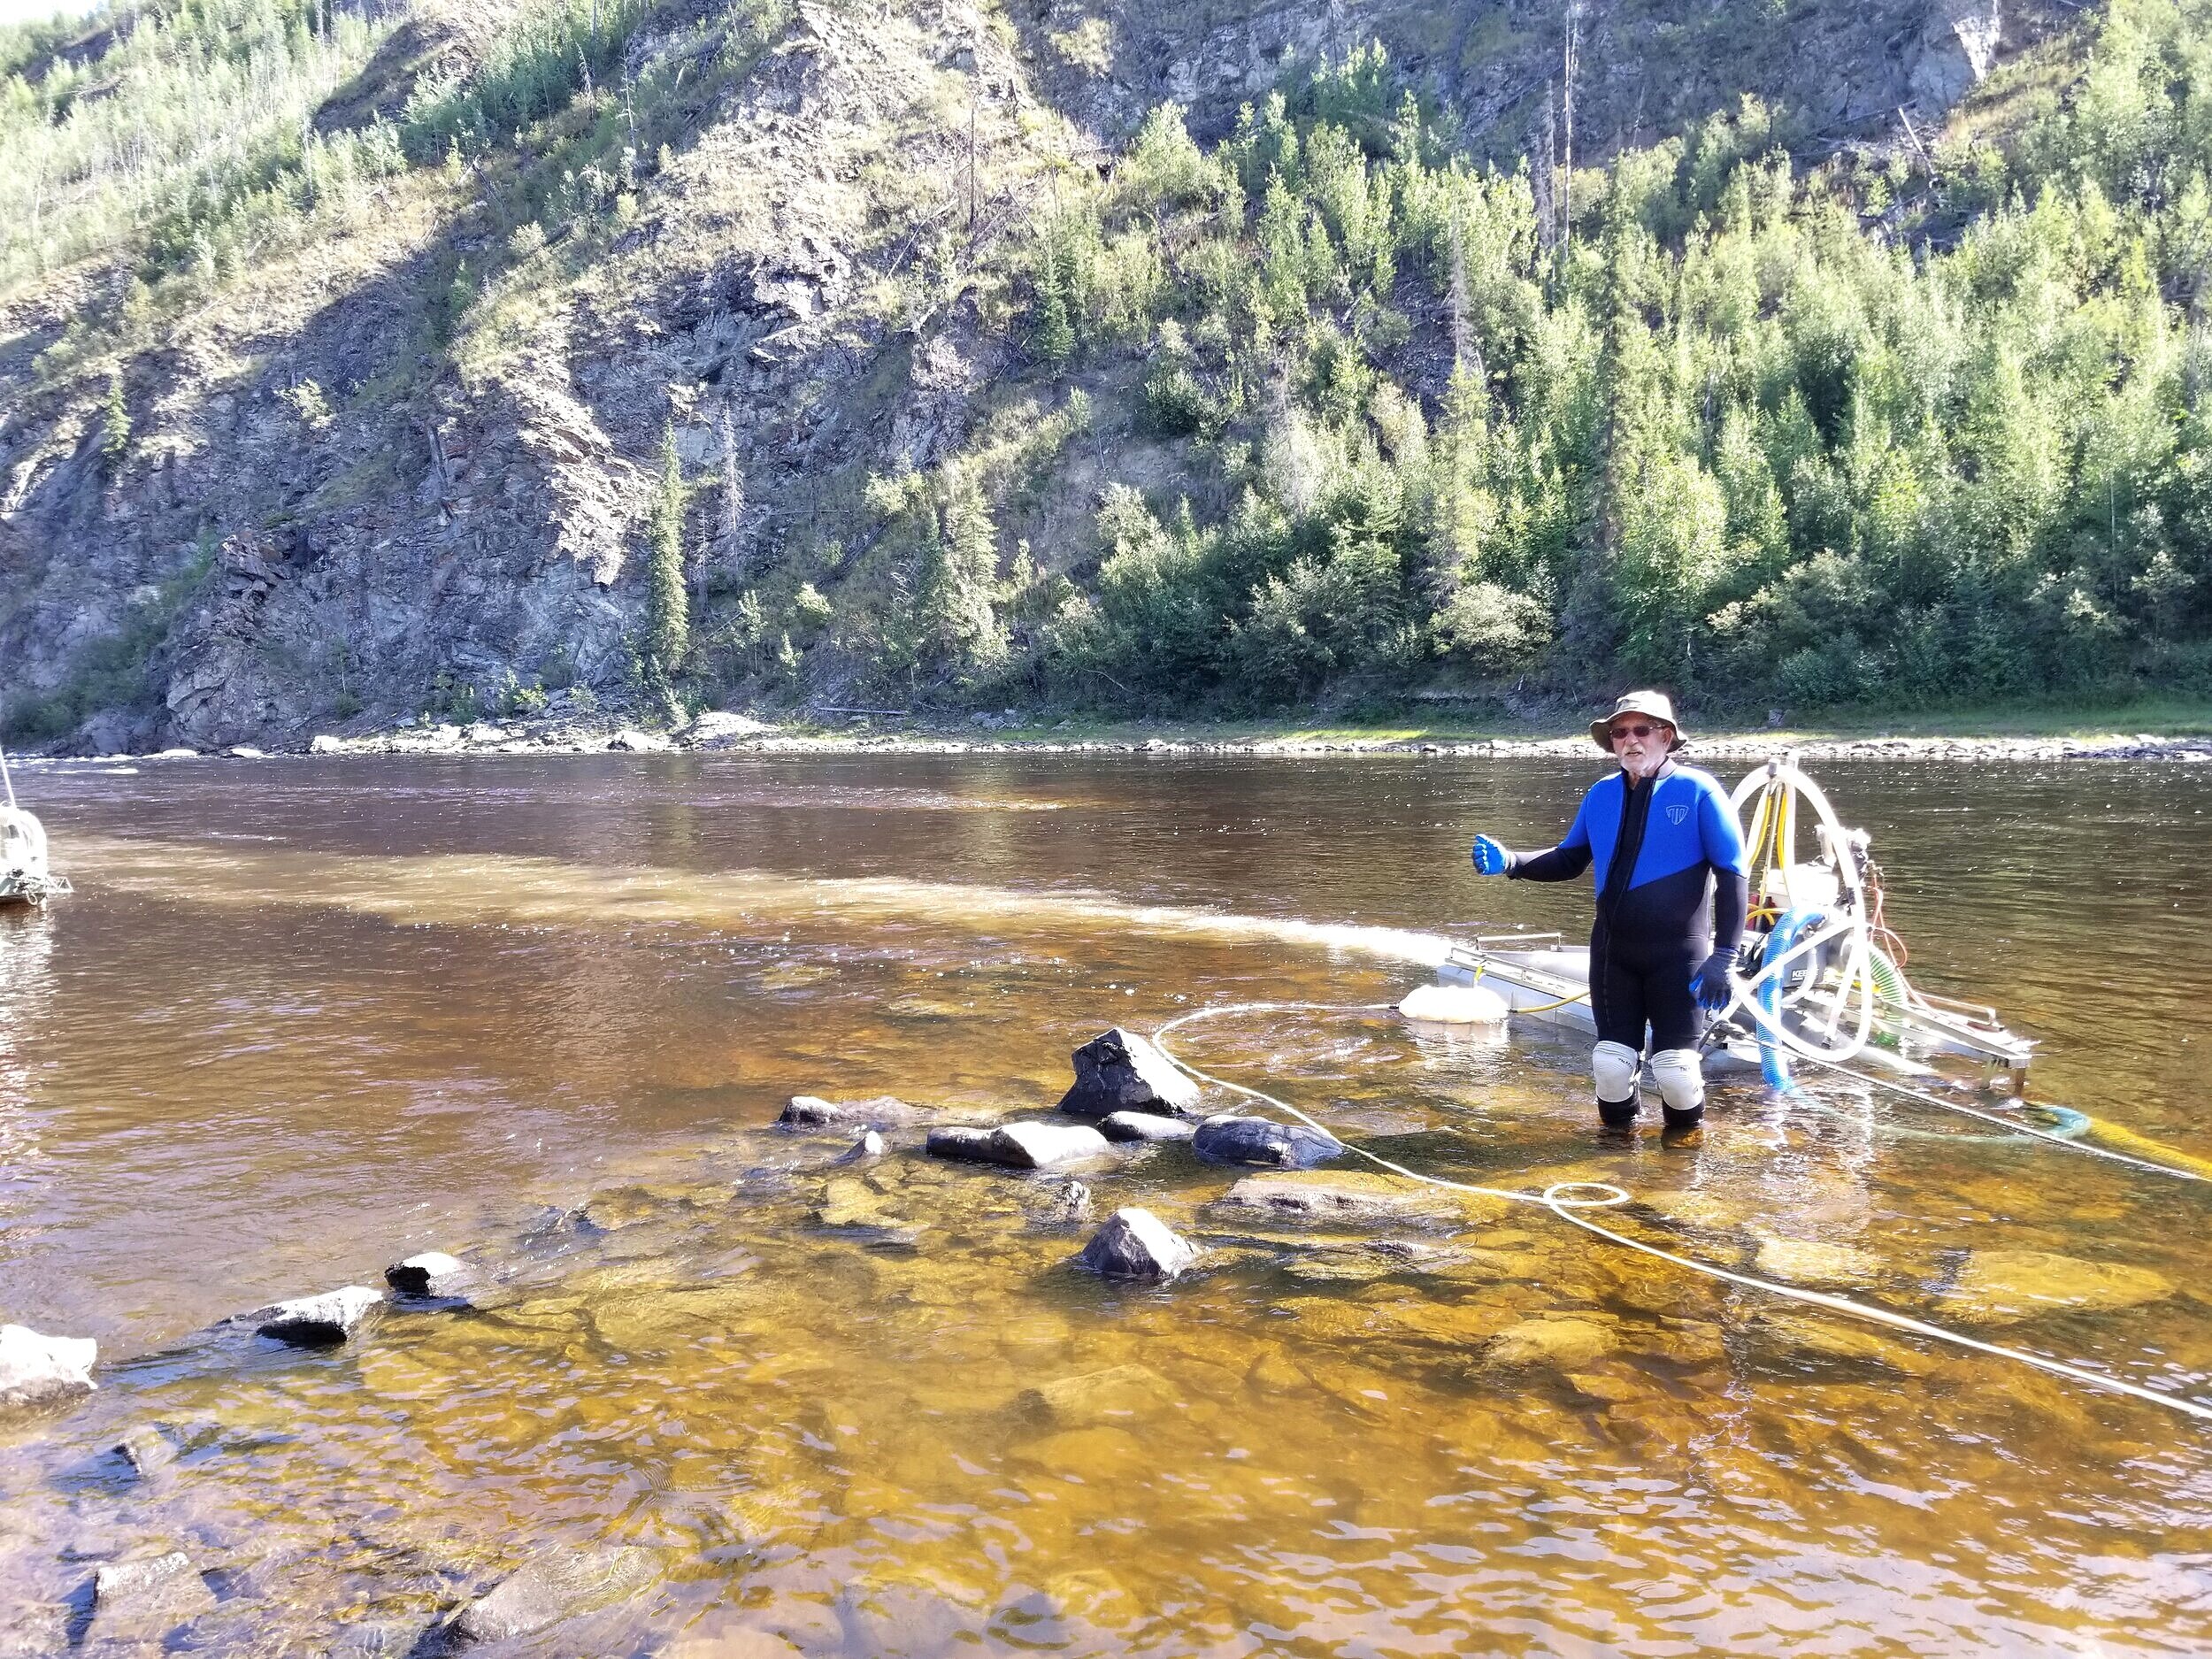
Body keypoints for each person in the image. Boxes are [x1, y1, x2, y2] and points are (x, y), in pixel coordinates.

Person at [1468, 691, 1747, 1133]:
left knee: (1677, 1072)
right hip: (1614, 954)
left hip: (1679, 956)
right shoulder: (1601, 795)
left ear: (1667, 736)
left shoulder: (1698, 791)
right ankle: (1615, 1161)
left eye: (1642, 730)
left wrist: (1726, 956)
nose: (1630, 741)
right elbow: (1570, 859)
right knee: (1612, 1065)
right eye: (1620, 732)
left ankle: (1682, 1169)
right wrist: (1512, 861)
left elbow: (1733, 875)